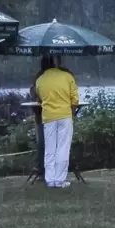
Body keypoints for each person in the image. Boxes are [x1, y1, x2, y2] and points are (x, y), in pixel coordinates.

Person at [35, 57, 79, 189]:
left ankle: (50, 179)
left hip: (48, 117)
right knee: (63, 148)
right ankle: (60, 180)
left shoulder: (40, 80)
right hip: (64, 115)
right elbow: (75, 99)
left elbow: (40, 98)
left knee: (50, 149)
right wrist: (71, 113)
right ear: (56, 63)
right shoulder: (67, 76)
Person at [29, 56, 55, 179]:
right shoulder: (40, 78)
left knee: (43, 144)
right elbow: (34, 94)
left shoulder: (39, 77)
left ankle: (45, 170)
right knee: (44, 144)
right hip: (44, 115)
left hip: (45, 115)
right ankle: (42, 170)